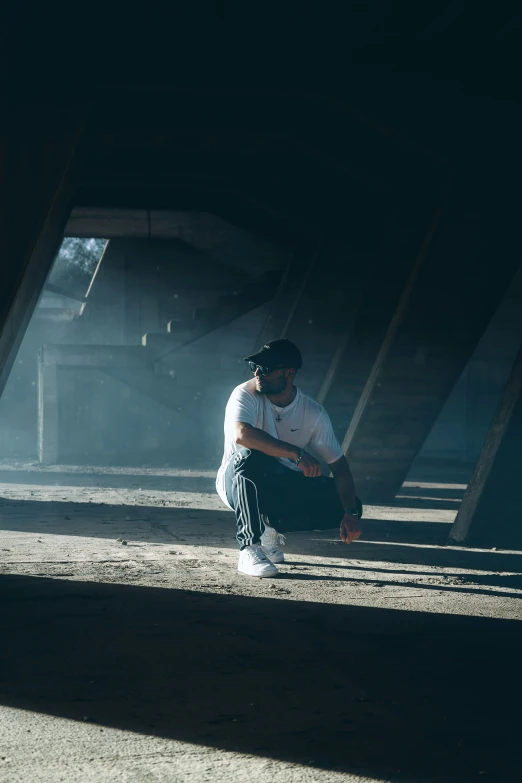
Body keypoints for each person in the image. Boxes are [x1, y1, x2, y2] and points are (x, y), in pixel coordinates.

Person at [216, 338, 363, 577]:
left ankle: (269, 527)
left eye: (265, 368)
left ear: (289, 373)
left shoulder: (312, 412)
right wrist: (296, 453)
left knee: (348, 503)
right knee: (250, 457)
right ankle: (249, 548)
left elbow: (340, 466)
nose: (257, 373)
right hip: (235, 480)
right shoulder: (245, 394)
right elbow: (242, 434)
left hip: (279, 483)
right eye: (255, 367)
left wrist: (351, 513)